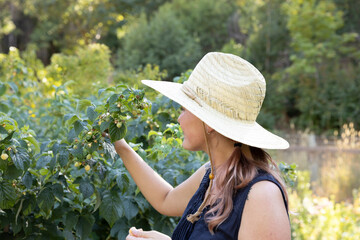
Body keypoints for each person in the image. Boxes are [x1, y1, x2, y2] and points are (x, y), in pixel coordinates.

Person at [114, 52, 291, 239]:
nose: (179, 119)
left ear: (209, 123)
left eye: (184, 109)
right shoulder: (211, 174)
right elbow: (165, 199)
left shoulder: (262, 195)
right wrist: (120, 144)